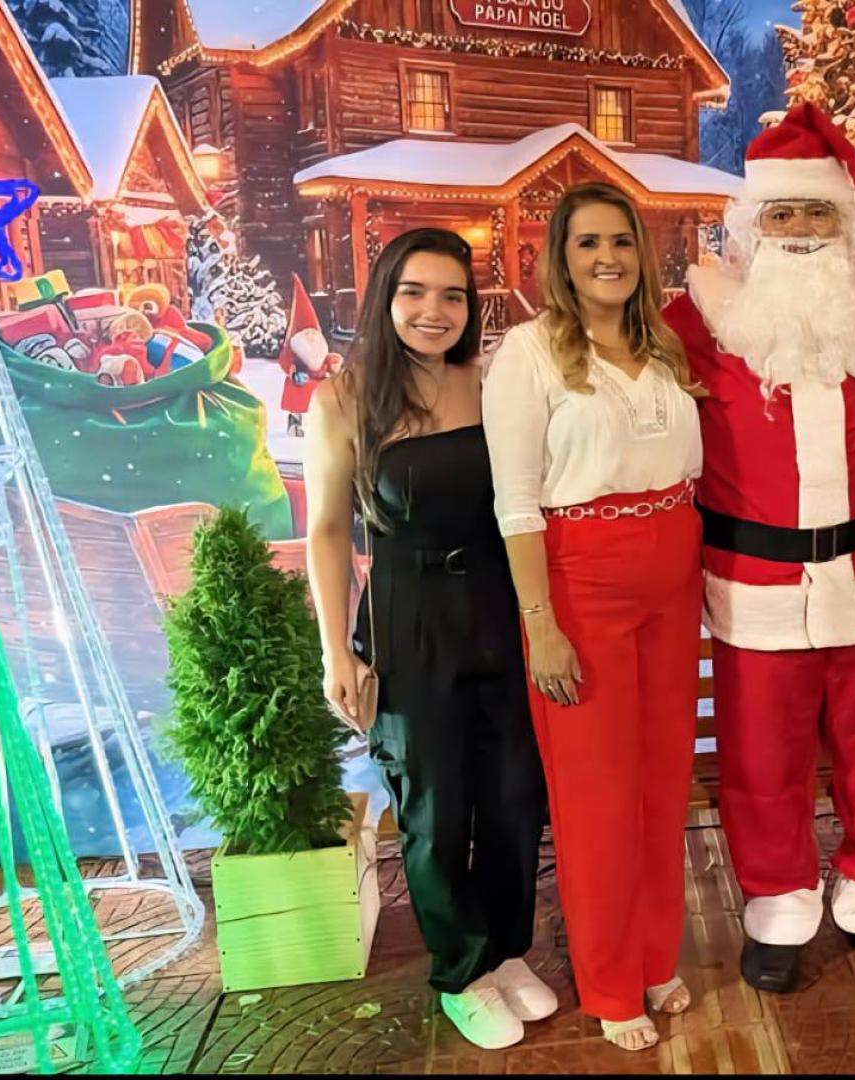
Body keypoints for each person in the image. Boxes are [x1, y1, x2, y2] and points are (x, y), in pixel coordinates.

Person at [661, 103, 855, 993]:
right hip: (754, 584)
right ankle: (777, 906)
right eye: (783, 213)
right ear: (752, 226)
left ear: (846, 224)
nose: (801, 229)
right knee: (761, 765)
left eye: (818, 211)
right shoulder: (697, 323)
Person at [305, 228, 553, 1051]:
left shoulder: (491, 383)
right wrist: (336, 651)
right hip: (407, 615)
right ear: (385, 296)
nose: (433, 311)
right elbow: (327, 531)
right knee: (434, 806)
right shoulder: (344, 399)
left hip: (500, 601)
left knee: (514, 795)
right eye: (414, 292)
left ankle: (507, 948)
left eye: (452, 295)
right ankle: (461, 970)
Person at [483, 183, 705, 1052]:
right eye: (588, 243)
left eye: (620, 241)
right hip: (581, 585)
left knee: (661, 784)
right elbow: (515, 504)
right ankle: (611, 982)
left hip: (672, 579)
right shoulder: (529, 353)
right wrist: (539, 622)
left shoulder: (663, 346)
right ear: (561, 259)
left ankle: (653, 957)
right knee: (597, 799)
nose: (607, 257)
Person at [282, 275, 341, 437]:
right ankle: (295, 422)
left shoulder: (319, 346)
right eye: (306, 333)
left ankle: (326, 423)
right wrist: (293, 371)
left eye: (313, 332)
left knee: (326, 398)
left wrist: (333, 363)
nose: (311, 336)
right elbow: (285, 362)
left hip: (319, 380)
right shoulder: (296, 348)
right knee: (298, 398)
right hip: (300, 381)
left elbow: (328, 361)